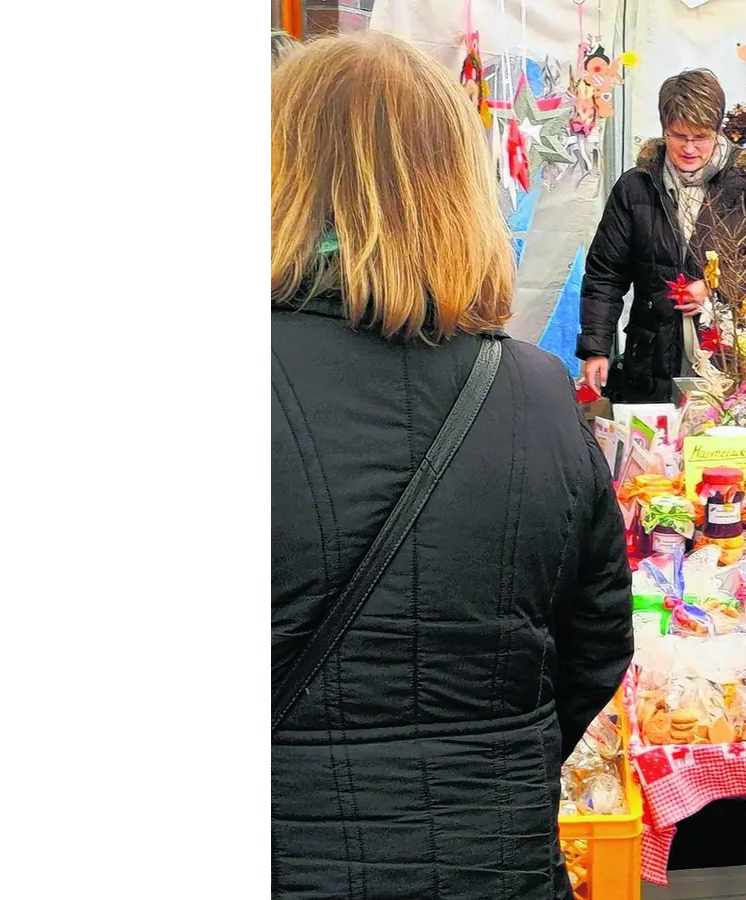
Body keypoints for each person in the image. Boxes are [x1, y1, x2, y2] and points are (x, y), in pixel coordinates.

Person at [271, 32, 633, 900]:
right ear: (457, 188)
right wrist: (496, 753)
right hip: (493, 856)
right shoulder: (540, 395)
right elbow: (595, 648)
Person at [576, 68, 746, 403]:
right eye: (678, 136)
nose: (690, 148)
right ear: (664, 130)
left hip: (730, 354)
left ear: (718, 131)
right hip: (651, 357)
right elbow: (605, 273)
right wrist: (596, 348)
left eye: (701, 137)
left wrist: (716, 287)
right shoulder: (636, 185)